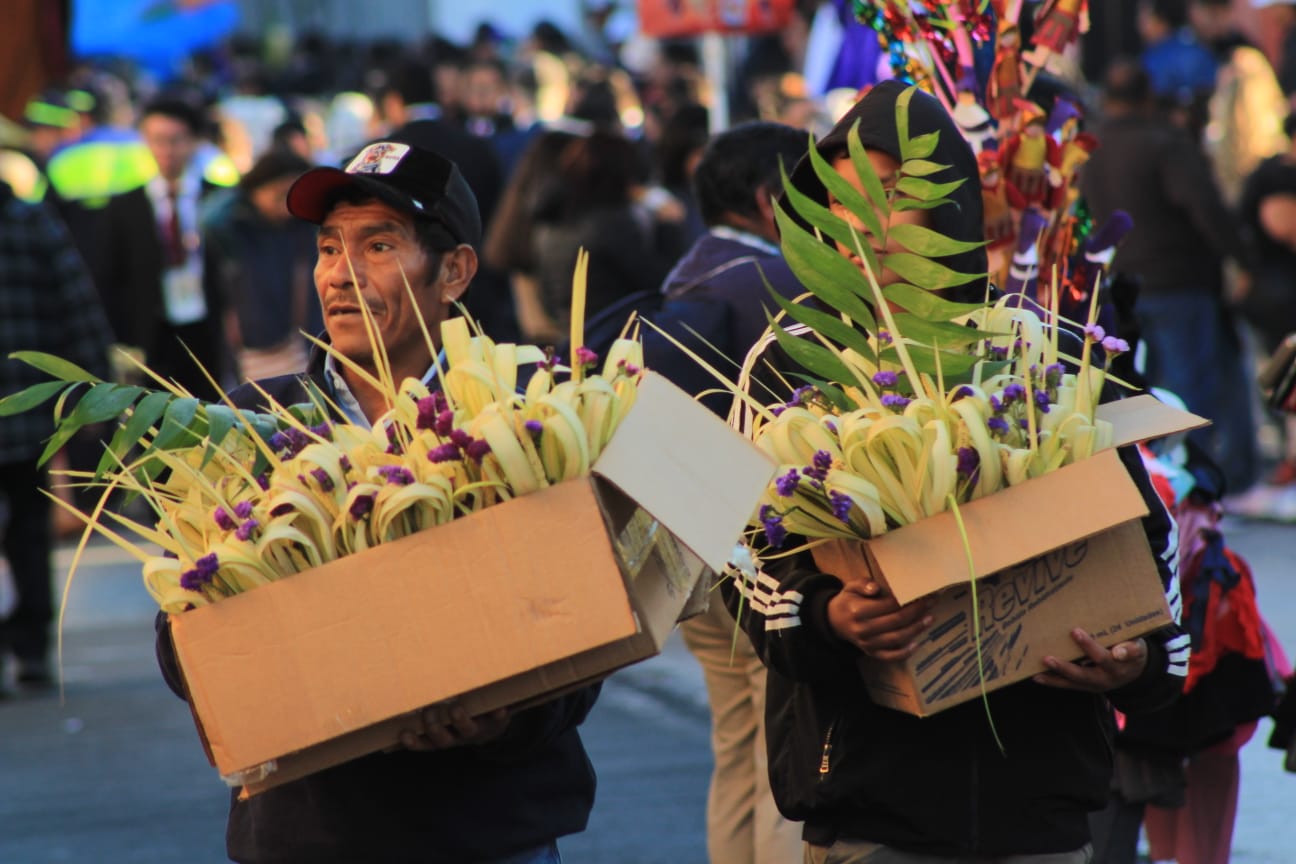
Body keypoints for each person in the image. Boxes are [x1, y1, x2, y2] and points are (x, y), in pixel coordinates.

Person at [722, 79, 1190, 863]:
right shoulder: (789, 362)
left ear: (953, 209)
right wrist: (826, 620)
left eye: (895, 191)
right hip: (873, 805)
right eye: (842, 193)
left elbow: (1148, 545)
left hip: (1041, 804)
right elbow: (741, 553)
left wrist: (1135, 662)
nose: (865, 218)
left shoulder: (1039, 350)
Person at [154, 130, 599, 863]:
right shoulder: (255, 425)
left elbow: (589, 620)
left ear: (453, 271)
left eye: (380, 247)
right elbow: (181, 637)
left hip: (490, 829)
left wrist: (507, 717)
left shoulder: (525, 423)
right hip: (312, 832)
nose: (340, 274)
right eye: (329, 247)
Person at [657, 121, 810, 864]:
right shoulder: (780, 286)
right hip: (763, 554)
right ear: (768, 199)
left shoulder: (688, 270)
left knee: (736, 742)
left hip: (689, 541)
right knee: (783, 748)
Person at [1080, 58, 1259, 497]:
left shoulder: (1091, 147)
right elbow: (1204, 206)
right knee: (1187, 390)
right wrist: (1242, 258)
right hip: (1178, 281)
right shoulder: (1164, 142)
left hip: (1121, 284)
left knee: (1145, 396)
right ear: (1147, 98)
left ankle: (1160, 485)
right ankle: (1198, 490)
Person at [0, 180, 111, 692]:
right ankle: (33, 649)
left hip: (27, 411)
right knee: (28, 531)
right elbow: (79, 306)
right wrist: (95, 392)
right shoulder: (32, 221)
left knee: (25, 528)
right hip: (29, 414)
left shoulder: (36, 221)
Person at [203, 149, 321, 383]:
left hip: (298, 347)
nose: (286, 207)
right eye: (279, 196)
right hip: (247, 352)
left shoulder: (304, 229)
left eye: (292, 197)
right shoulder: (231, 229)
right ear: (255, 190)